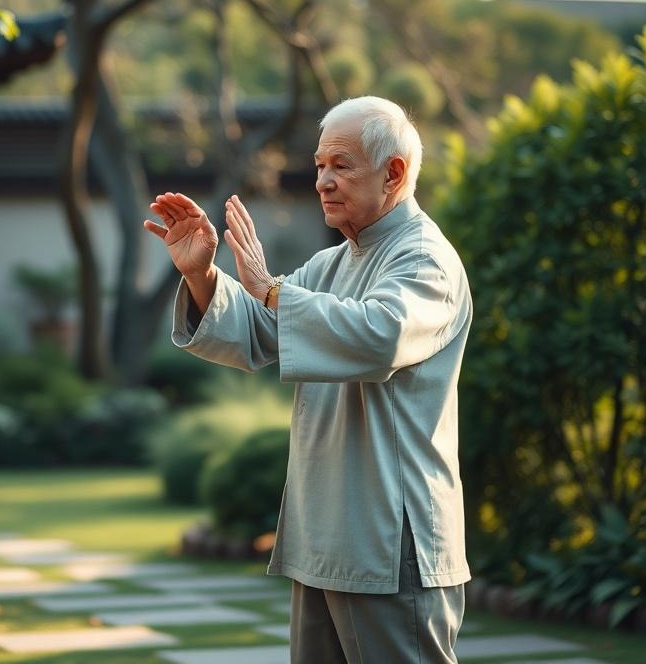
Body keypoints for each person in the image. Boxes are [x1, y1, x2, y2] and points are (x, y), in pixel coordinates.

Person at [143, 95, 472, 664]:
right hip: (324, 534)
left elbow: (379, 337)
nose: (321, 181)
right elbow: (255, 333)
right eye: (319, 165)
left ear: (393, 173)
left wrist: (271, 288)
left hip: (390, 539)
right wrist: (202, 275)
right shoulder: (331, 264)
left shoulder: (424, 260)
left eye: (340, 165)